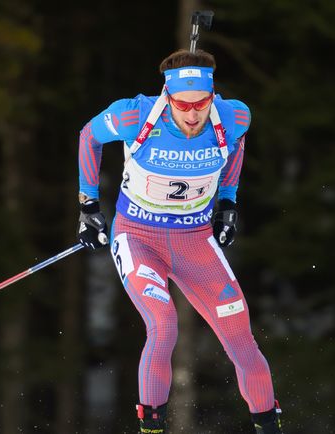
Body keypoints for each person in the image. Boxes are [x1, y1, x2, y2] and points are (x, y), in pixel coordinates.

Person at [76, 49, 283, 434]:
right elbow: (89, 136)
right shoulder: (135, 115)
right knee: (164, 324)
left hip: (195, 241)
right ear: (167, 96)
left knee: (240, 337)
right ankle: (152, 428)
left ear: (212, 97)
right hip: (138, 237)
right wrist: (88, 206)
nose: (192, 115)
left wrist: (228, 203)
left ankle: (270, 426)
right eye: (182, 105)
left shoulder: (234, 117)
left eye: (201, 105)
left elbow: (236, 147)